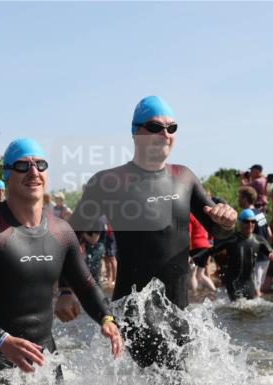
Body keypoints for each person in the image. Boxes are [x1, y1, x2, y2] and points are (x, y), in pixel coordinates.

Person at [57, 95, 236, 369]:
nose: (165, 134)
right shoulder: (108, 182)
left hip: (179, 311)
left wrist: (227, 222)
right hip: (135, 312)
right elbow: (69, 239)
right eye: (155, 127)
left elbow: (217, 232)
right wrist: (66, 289)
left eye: (171, 127)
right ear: (135, 133)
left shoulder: (184, 177)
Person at [0, 138, 122, 385]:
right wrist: (2, 341)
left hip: (44, 352)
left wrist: (106, 318)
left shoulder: (61, 231)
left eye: (40, 165)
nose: (34, 172)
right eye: (23, 166)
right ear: (7, 174)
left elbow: (86, 285)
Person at [225, 209, 273, 300]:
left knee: (252, 306)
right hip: (233, 281)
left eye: (253, 221)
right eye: (246, 222)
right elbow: (212, 250)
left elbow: (270, 250)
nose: (250, 224)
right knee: (235, 308)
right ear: (240, 222)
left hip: (249, 281)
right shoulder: (232, 239)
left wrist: (272, 254)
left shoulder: (258, 239)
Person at [189, 213, 216, 293]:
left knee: (192, 274)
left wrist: (187, 250)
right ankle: (214, 291)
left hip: (196, 247)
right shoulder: (203, 216)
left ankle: (194, 295)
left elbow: (188, 234)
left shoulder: (190, 216)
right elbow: (211, 234)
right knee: (200, 274)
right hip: (206, 246)